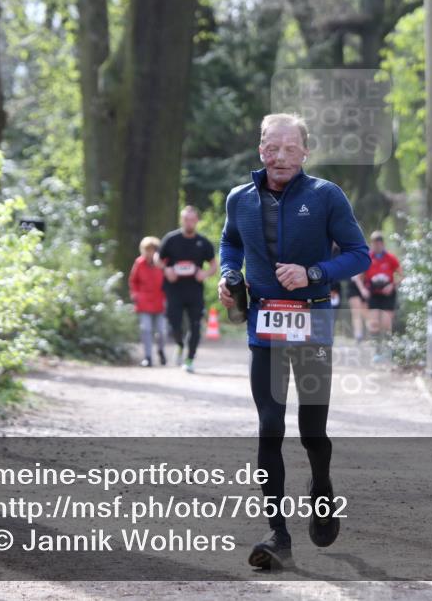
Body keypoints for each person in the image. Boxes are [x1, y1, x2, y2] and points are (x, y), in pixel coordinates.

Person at [219, 113, 370, 570]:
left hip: (312, 322)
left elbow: (358, 254)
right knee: (269, 427)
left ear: (305, 152)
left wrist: (314, 272)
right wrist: (229, 275)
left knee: (312, 431)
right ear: (260, 148)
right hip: (264, 323)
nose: (280, 156)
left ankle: (321, 487)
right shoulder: (239, 199)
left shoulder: (326, 196)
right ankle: (277, 534)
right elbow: (230, 244)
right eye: (272, 147)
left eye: (289, 148)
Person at [159, 206, 218, 373]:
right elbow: (158, 258)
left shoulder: (203, 242)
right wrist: (166, 270)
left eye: (192, 219)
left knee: (195, 325)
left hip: (194, 290)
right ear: (181, 220)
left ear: (197, 221)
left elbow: (214, 265)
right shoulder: (171, 239)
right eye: (186, 219)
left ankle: (190, 359)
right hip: (174, 289)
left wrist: (205, 273)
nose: (189, 223)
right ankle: (179, 344)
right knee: (174, 323)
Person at [128, 236, 166, 367]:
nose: (150, 253)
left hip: (160, 301)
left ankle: (161, 350)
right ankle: (148, 357)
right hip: (144, 302)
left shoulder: (162, 263)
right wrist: (135, 295)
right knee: (146, 330)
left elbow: (168, 280)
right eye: (147, 250)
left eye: (152, 250)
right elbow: (133, 281)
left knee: (161, 331)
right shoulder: (139, 263)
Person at [364, 231, 402, 361]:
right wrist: (363, 289)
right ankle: (377, 351)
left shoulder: (390, 258)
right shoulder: (368, 258)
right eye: (375, 243)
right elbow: (358, 277)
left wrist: (392, 285)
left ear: (382, 243)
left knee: (386, 323)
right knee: (374, 322)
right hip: (374, 294)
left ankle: (389, 350)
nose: (377, 245)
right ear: (372, 244)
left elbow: (400, 274)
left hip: (388, 294)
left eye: (379, 243)